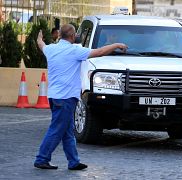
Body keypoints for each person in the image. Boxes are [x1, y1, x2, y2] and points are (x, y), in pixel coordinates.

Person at [34, 24, 127, 170]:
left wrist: (39, 38)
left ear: (59, 35)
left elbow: (41, 45)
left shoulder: (51, 49)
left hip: (54, 97)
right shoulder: (75, 50)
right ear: (72, 36)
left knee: (67, 130)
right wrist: (117, 44)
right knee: (57, 129)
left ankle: (73, 161)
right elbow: (100, 51)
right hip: (66, 98)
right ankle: (42, 158)